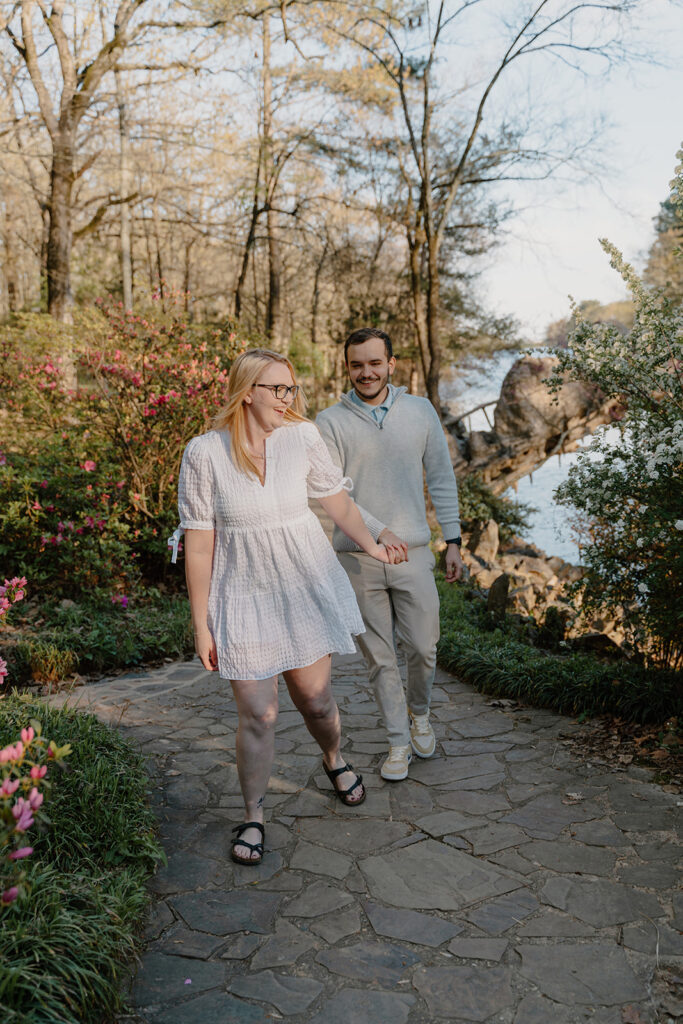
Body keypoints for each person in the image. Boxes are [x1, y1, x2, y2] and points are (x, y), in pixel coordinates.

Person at [172, 348, 404, 866]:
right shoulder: (204, 453)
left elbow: (335, 499)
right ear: (247, 391)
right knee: (260, 713)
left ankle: (333, 757)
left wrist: (371, 543)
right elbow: (201, 544)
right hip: (242, 593)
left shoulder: (302, 438)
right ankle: (253, 816)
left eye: (291, 388)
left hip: (303, 584)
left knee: (316, 702)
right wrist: (201, 624)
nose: (288, 398)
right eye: (278, 388)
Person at [316, 327, 463, 782]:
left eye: (374, 362)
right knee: (379, 659)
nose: (366, 372)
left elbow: (441, 476)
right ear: (347, 368)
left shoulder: (419, 412)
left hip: (414, 552)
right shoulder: (329, 423)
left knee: (423, 646)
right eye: (357, 364)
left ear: (391, 364)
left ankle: (420, 713)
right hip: (356, 558)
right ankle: (398, 742)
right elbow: (329, 494)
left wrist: (453, 539)